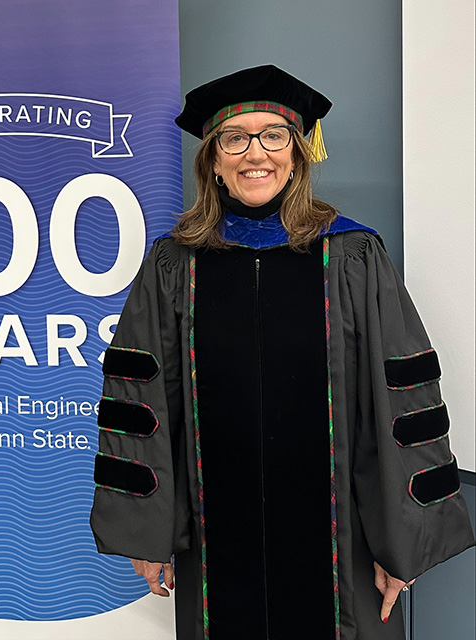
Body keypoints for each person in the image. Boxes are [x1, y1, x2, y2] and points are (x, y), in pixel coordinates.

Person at [90, 65, 475, 640]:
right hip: (214, 535)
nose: (256, 154)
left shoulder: (352, 256)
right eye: (234, 138)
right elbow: (141, 403)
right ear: (213, 160)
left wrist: (403, 545)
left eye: (273, 136)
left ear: (297, 153)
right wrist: (147, 534)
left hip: (342, 544)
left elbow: (399, 402)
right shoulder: (175, 266)